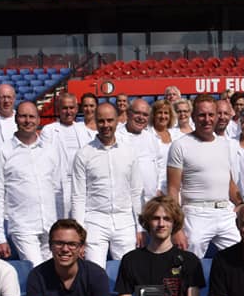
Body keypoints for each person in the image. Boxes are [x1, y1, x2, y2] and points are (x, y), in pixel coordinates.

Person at [166, 94, 243, 259]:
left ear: (216, 116)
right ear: (193, 117)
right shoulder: (180, 145)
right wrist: (177, 228)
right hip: (195, 214)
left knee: (241, 260)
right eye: (202, 115)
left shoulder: (225, 144)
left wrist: (240, 204)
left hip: (226, 214)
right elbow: (173, 188)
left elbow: (228, 180)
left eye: (210, 115)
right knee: (188, 267)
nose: (207, 119)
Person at [71, 102, 144, 268]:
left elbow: (136, 191)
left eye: (110, 120)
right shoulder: (84, 154)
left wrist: (140, 227)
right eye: (101, 121)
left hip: (124, 220)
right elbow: (78, 196)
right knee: (95, 273)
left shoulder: (129, 152)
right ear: (95, 122)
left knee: (128, 273)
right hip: (95, 221)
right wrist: (79, 234)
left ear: (118, 120)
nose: (106, 125)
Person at [0, 100, 59, 266]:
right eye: (23, 116)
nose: (28, 121)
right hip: (23, 226)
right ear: (15, 118)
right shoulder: (1, 152)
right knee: (37, 270)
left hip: (50, 224)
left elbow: (58, 189)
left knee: (55, 273)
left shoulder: (50, 150)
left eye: (32, 116)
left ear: (39, 119)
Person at [39, 92, 96, 217]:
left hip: (80, 185)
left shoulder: (84, 131)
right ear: (59, 109)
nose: (68, 111)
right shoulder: (49, 131)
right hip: (57, 187)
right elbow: (43, 161)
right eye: (65, 108)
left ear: (76, 109)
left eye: (71, 108)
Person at [119, 98, 166, 198]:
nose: (141, 118)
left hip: (150, 201)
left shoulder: (152, 138)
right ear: (128, 113)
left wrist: (159, 189)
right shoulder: (116, 137)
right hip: (125, 202)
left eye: (145, 115)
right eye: (137, 113)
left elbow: (160, 164)